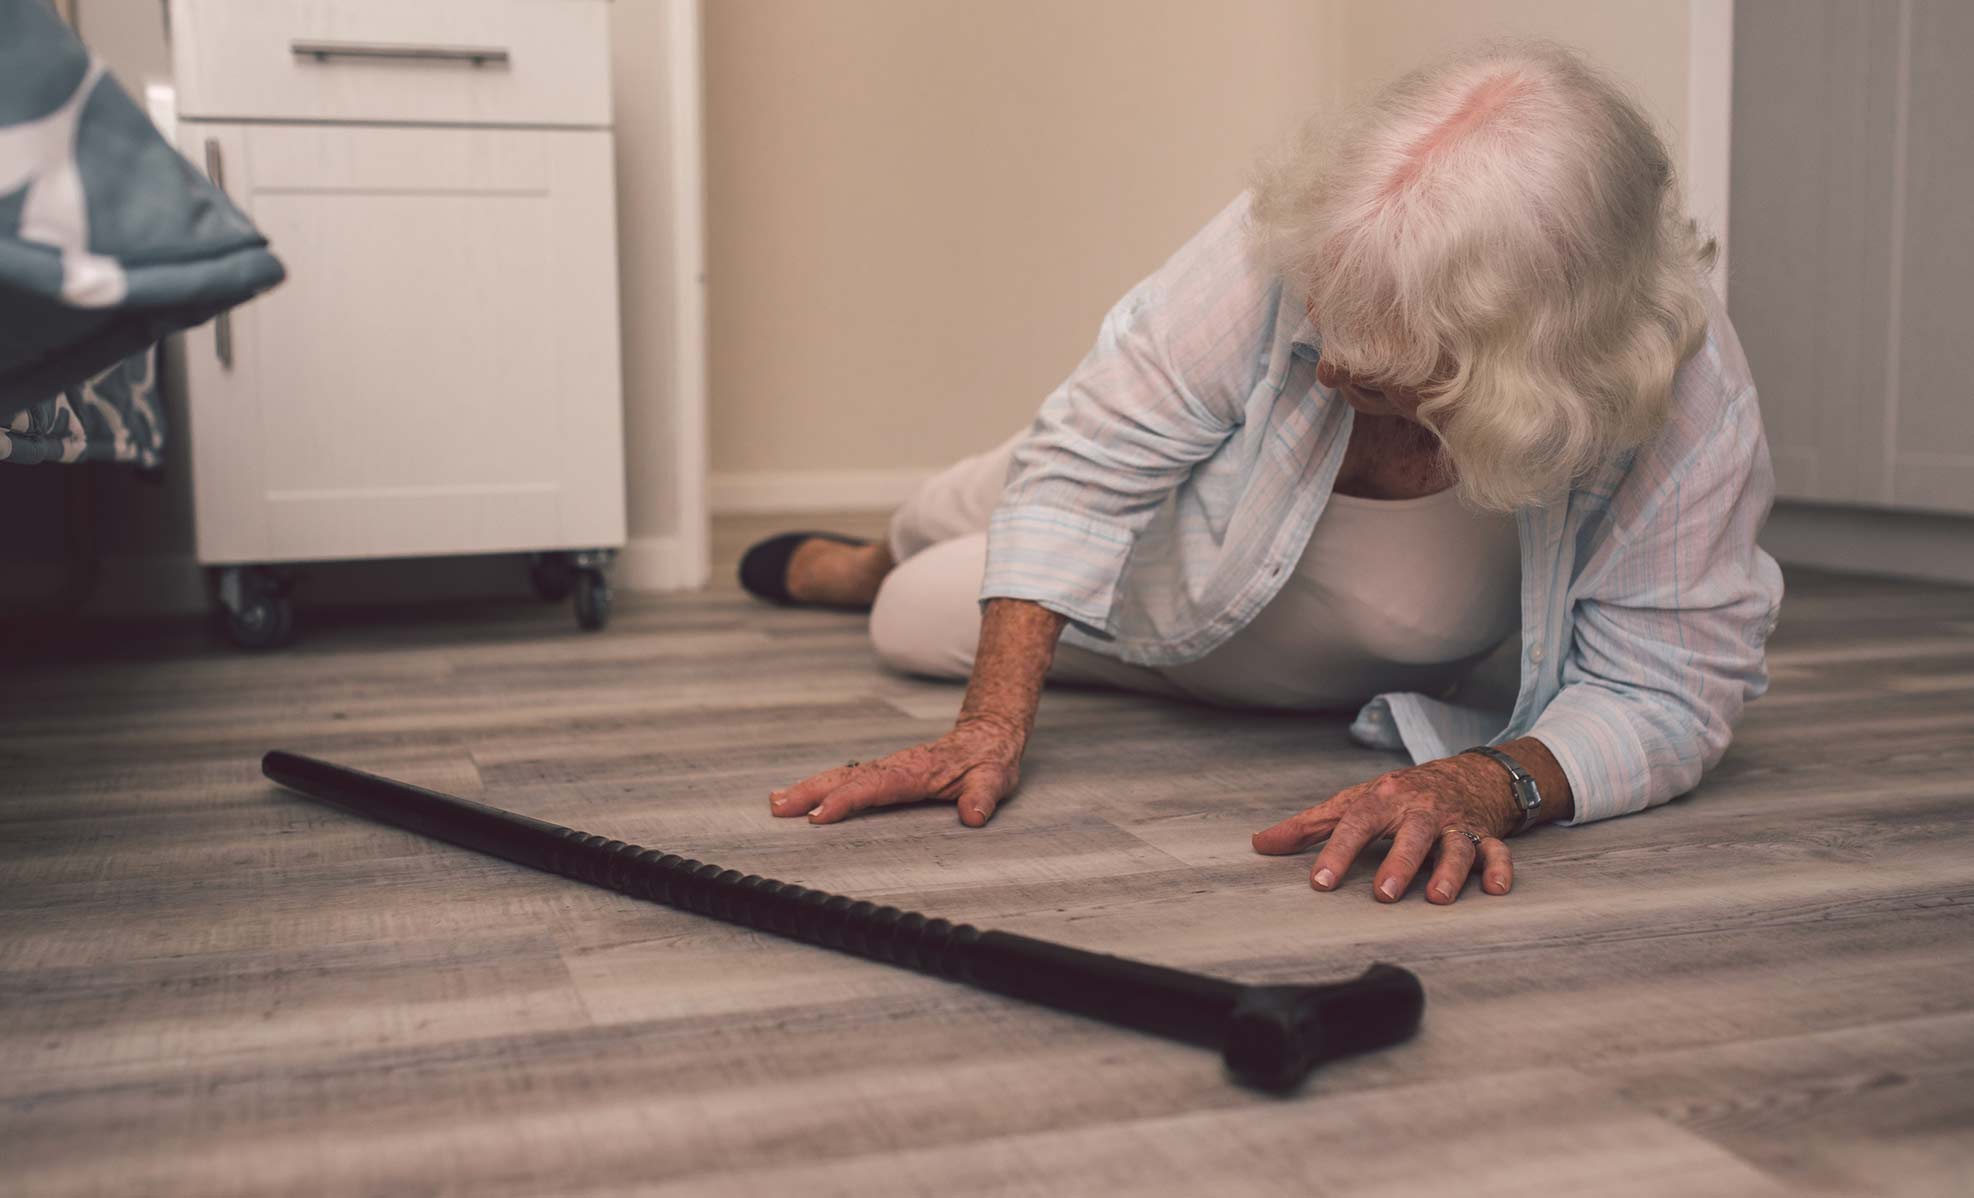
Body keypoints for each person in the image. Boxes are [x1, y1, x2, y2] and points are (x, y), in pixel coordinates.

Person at [738, 39, 1783, 906]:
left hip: (1242, 577)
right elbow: (1089, 458)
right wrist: (990, 726)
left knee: (912, 614)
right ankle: (885, 539)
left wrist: (1488, 783)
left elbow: (1669, 690)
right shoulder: (1320, 228)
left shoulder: (1681, 392)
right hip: (1188, 460)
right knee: (1014, 473)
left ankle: (884, 571)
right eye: (1328, 317)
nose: (1326, 367)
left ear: (1519, 370)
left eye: (1378, 361)